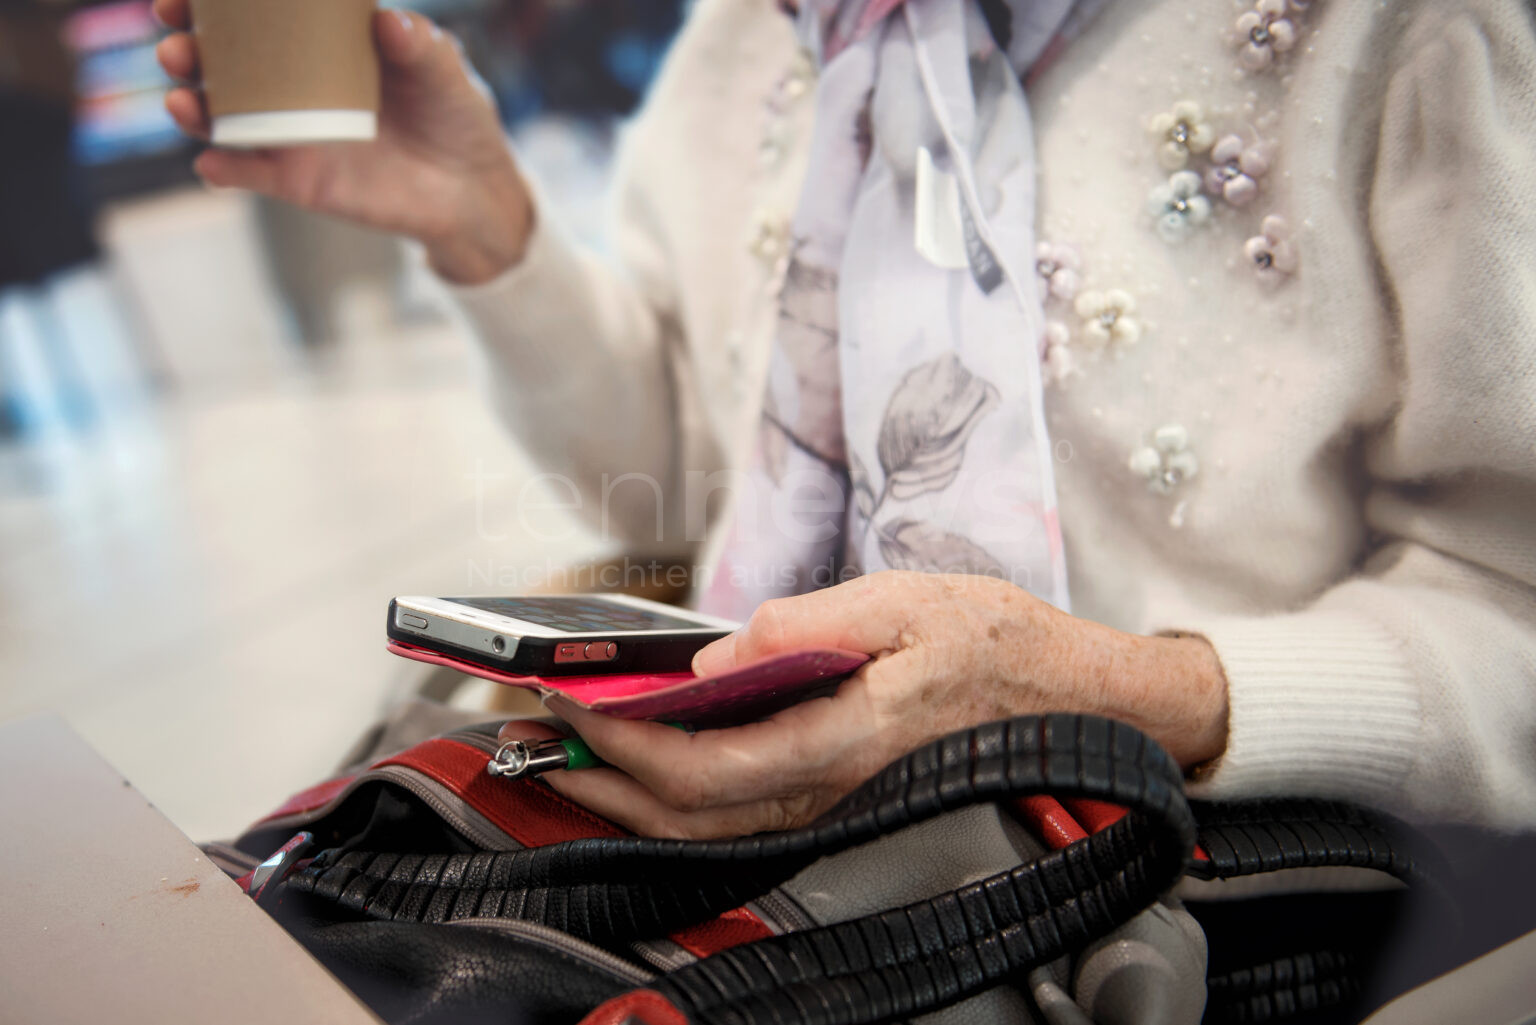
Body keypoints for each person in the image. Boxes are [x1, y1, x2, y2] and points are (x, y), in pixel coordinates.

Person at [154, 0, 1536, 840]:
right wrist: (486, 232)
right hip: (747, 856)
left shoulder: (1416, 43)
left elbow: (1512, 619)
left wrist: (1110, 689)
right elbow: (692, 475)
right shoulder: (758, 39)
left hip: (1190, 888)